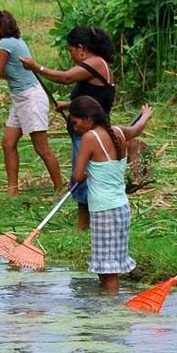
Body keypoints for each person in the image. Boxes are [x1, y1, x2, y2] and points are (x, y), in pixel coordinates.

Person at [22, 26, 116, 231]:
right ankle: (84, 227)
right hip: (87, 132)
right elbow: (95, 99)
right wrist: (69, 105)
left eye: (71, 50)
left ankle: (84, 228)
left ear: (81, 48)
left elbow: (66, 78)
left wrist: (37, 67)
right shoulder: (97, 64)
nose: (71, 55)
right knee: (83, 178)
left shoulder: (96, 63)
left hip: (90, 135)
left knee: (81, 178)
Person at [0, 9, 63, 194]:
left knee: (41, 148)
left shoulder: (5, 44)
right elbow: (7, 74)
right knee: (8, 143)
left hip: (31, 98)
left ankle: (59, 190)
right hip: (20, 98)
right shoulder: (8, 43)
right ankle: (12, 190)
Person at [69, 97, 153, 293]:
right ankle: (106, 313)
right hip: (120, 208)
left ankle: (111, 315)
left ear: (88, 118)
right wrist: (145, 116)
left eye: (76, 121)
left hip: (104, 211)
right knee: (106, 268)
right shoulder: (118, 132)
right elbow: (137, 129)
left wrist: (82, 174)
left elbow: (78, 176)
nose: (75, 125)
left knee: (109, 273)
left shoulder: (90, 138)